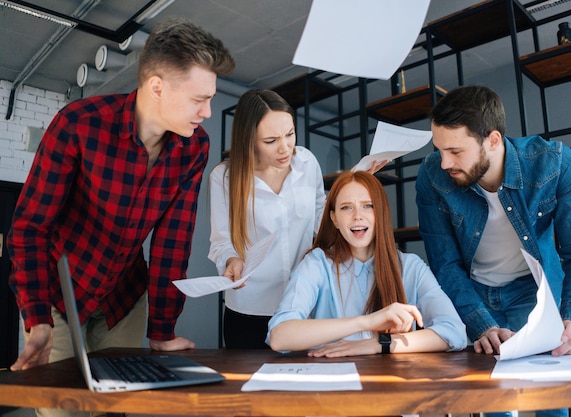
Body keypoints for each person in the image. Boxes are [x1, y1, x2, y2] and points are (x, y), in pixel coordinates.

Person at [7, 14, 235, 400]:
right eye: (200, 99)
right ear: (157, 87)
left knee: (119, 404)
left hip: (123, 298)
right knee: (61, 405)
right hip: (58, 296)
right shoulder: (78, 125)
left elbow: (171, 245)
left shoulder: (194, 147)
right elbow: (29, 229)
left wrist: (162, 332)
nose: (207, 113)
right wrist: (37, 317)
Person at [415, 85, 571, 417]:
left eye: (456, 151)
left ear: (493, 139)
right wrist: (479, 323)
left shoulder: (556, 164)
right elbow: (445, 264)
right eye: (439, 149)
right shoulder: (433, 175)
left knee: (549, 402)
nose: (444, 162)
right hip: (473, 295)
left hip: (534, 296)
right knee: (495, 404)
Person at [267, 170, 466, 356]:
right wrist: (367, 322)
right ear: (334, 219)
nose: (358, 216)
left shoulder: (411, 266)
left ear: (381, 213)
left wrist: (378, 344)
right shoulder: (317, 264)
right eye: (346, 207)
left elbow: (454, 332)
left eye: (368, 206)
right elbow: (279, 336)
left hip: (391, 382)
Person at [208, 89, 326, 349]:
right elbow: (221, 240)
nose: (285, 148)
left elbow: (322, 213)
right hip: (249, 308)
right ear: (249, 140)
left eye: (290, 134)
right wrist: (231, 259)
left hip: (303, 302)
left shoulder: (307, 163)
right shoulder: (224, 178)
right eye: (271, 140)